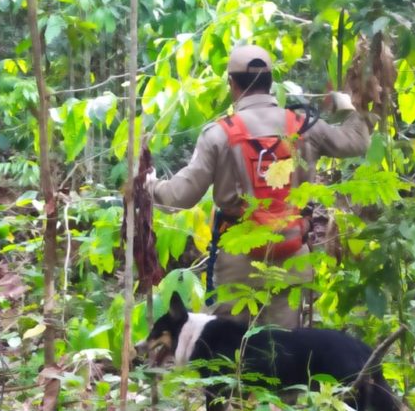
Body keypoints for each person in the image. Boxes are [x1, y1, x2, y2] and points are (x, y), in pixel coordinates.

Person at [147, 44, 371, 327]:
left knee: (229, 351)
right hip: (291, 258)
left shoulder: (219, 134)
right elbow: (357, 142)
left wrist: (149, 186)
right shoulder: (304, 127)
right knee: (281, 352)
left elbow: (178, 197)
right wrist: (345, 102)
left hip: (238, 264)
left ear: (232, 84)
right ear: (270, 82)